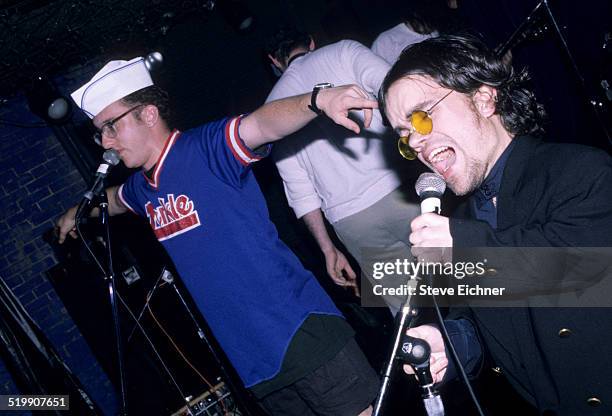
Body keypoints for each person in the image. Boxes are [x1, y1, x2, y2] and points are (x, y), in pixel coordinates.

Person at [56, 57, 381, 416]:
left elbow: (261, 124)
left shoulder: (205, 148)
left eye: (111, 126)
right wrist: (76, 212)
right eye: (99, 132)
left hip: (299, 330)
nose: (105, 141)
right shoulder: (140, 189)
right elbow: (114, 201)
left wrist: (317, 101)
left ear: (148, 114)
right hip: (252, 363)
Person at [379, 34, 612, 415]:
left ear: (484, 98)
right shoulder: (467, 219)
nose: (415, 142)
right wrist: (449, 344)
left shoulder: (578, 170)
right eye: (404, 137)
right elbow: (489, 324)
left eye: (422, 116)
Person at [265, 27, 421, 314]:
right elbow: (394, 86)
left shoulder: (273, 110)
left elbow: (300, 191)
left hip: (353, 222)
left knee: (410, 314)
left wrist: (328, 249)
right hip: (402, 191)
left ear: (275, 61)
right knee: (471, 283)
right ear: (311, 41)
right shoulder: (343, 50)